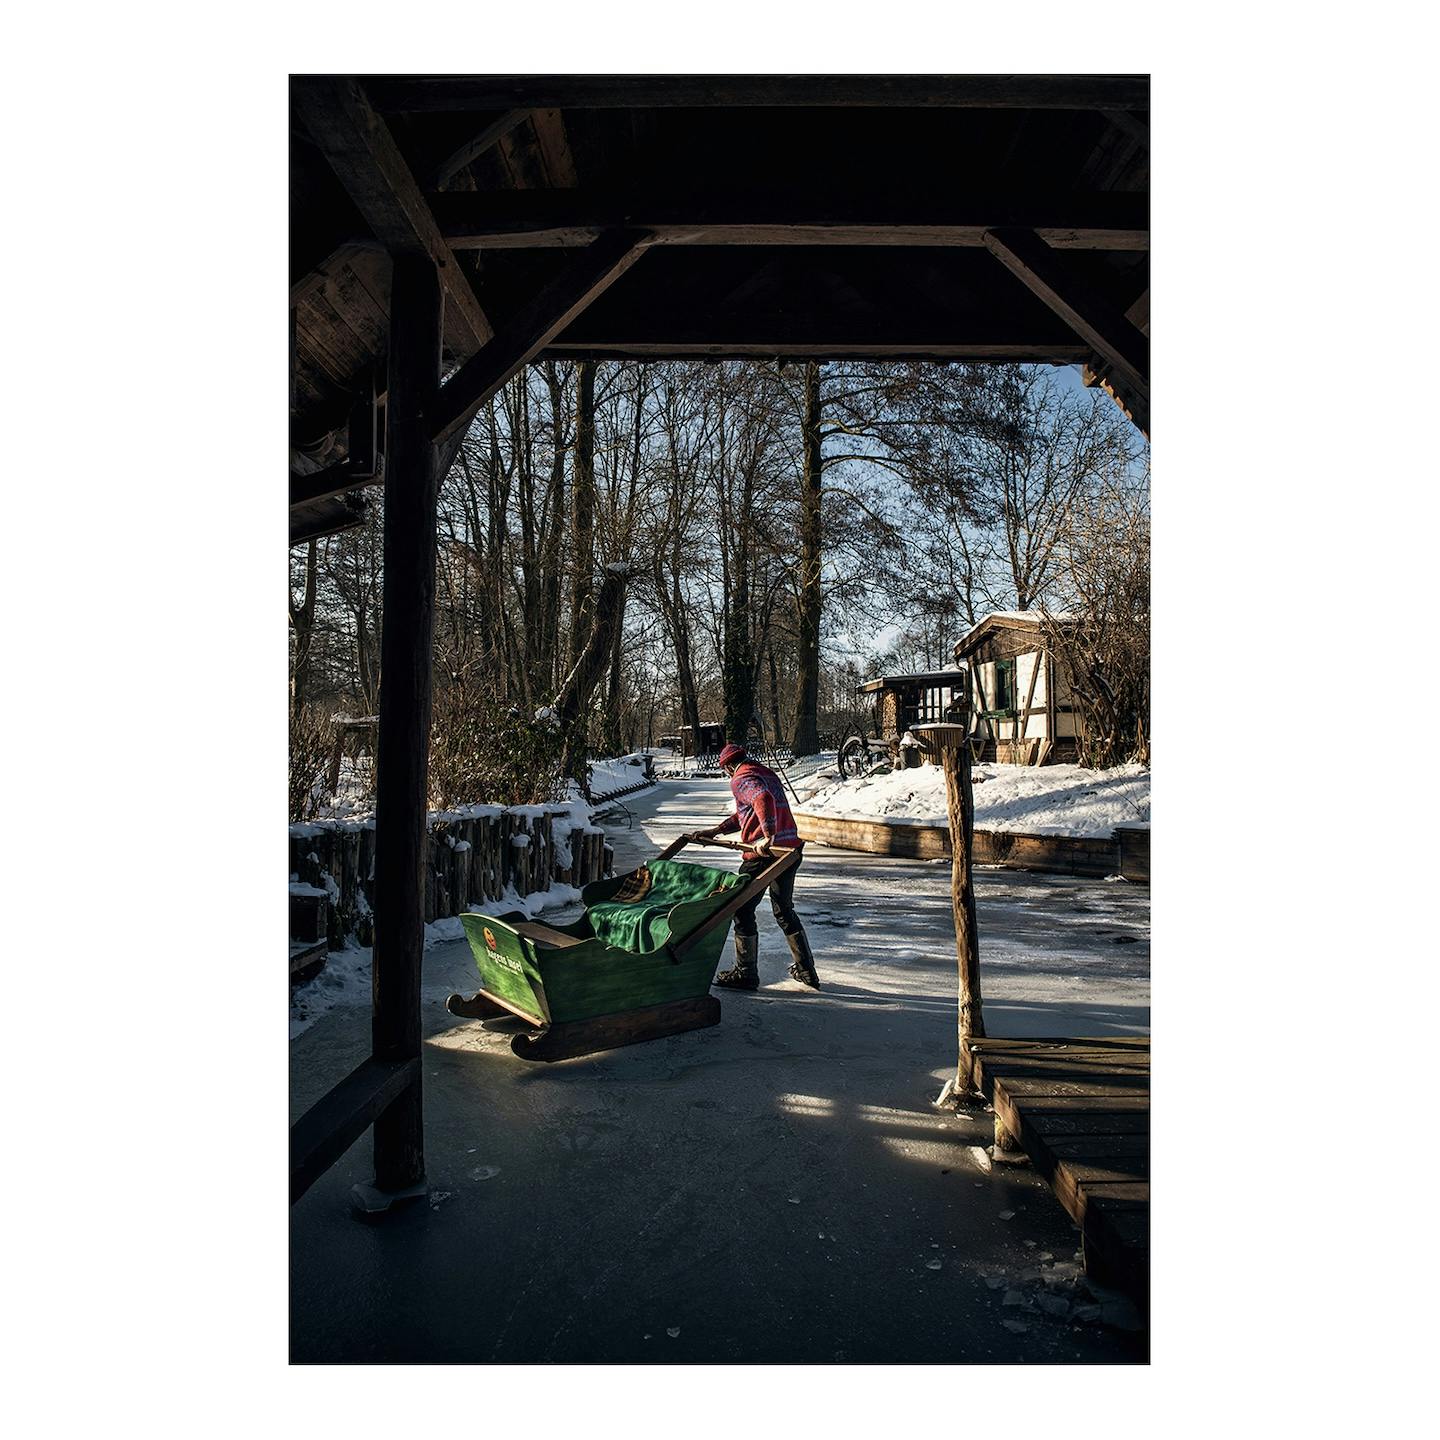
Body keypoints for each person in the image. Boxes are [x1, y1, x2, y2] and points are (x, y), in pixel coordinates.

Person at [695, 742, 820, 991]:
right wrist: (716, 830)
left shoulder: (741, 778)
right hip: (790, 850)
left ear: (727, 767)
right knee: (784, 910)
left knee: (741, 909)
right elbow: (748, 812)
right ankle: (807, 971)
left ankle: (746, 973)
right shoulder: (765, 772)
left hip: (765, 854)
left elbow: (762, 798)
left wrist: (767, 835)